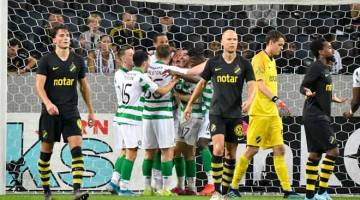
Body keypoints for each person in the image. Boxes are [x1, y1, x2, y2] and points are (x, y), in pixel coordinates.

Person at [184, 29, 256, 199]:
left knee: (231, 153)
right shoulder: (213, 62)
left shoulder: (245, 63)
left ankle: (224, 191)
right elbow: (201, 84)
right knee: (217, 149)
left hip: (236, 114)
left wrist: (250, 100)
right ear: (222, 42)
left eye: (235, 39)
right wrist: (189, 104)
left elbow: (253, 85)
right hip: (216, 113)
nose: (232, 42)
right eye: (229, 39)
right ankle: (217, 191)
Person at [228, 30, 301, 199]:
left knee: (279, 149)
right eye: (280, 45)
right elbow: (259, 85)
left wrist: (276, 105)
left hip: (273, 115)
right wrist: (278, 100)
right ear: (271, 42)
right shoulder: (258, 59)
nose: (281, 48)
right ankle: (233, 187)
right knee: (252, 150)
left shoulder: (272, 60)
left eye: (283, 45)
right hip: (260, 113)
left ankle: (287, 191)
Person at [35, 24, 95, 200]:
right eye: (61, 35)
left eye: (67, 35)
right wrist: (47, 103)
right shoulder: (46, 60)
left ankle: (77, 190)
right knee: (46, 153)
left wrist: (91, 111)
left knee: (77, 149)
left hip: (71, 112)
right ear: (54, 39)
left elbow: (84, 86)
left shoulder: (77, 60)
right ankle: (47, 192)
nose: (65, 38)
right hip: (50, 113)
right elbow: (39, 85)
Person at [113, 50, 178, 196]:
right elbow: (161, 91)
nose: (149, 63)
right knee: (162, 151)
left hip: (138, 115)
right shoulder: (144, 76)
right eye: (148, 61)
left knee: (147, 152)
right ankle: (162, 189)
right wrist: (174, 81)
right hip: (143, 116)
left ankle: (147, 188)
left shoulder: (125, 74)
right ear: (144, 63)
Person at [300, 37, 346, 200]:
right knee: (333, 151)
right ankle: (321, 193)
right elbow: (303, 86)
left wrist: (333, 97)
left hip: (317, 114)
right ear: (320, 51)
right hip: (316, 115)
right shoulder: (316, 67)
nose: (331, 49)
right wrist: (306, 91)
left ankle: (310, 196)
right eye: (328, 47)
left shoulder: (325, 68)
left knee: (315, 155)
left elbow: (321, 90)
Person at [107, 45, 134, 195]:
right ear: (122, 58)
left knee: (124, 151)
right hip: (126, 117)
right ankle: (123, 187)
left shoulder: (125, 74)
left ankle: (113, 181)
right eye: (130, 55)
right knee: (130, 151)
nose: (133, 57)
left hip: (123, 117)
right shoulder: (121, 74)